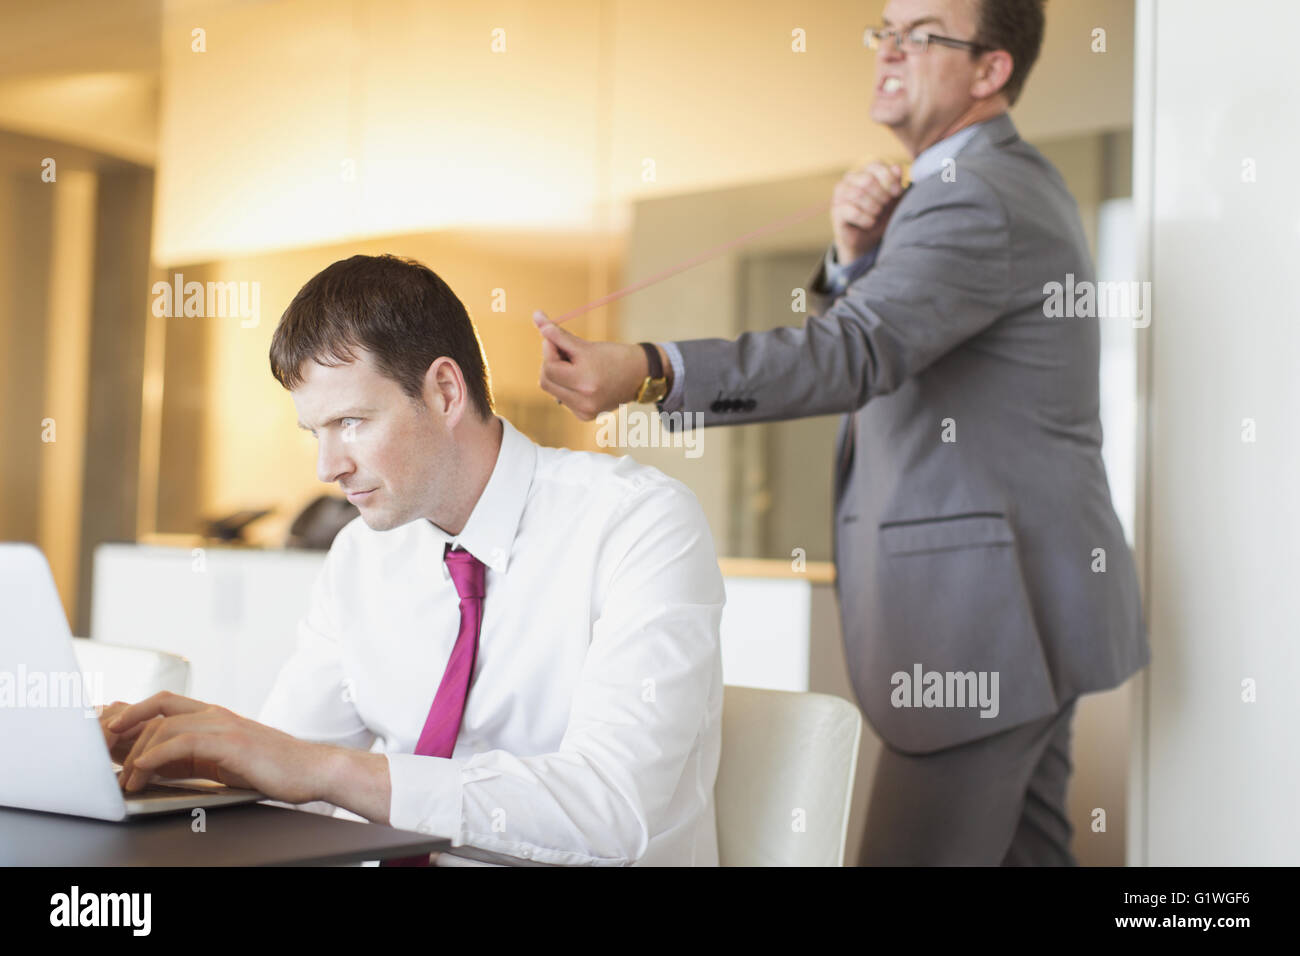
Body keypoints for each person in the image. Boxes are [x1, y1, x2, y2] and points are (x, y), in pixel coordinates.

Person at [534, 0, 1147, 865]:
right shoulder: (988, 183)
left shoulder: (971, 192)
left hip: (987, 623)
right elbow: (904, 338)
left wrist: (647, 367)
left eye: (921, 33)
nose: (888, 51)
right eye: (883, 31)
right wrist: (861, 256)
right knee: (1029, 853)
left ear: (991, 68)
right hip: (1026, 605)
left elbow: (857, 351)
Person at [102, 253, 725, 866]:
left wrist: (322, 770)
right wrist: (198, 769)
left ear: (446, 391)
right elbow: (295, 774)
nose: (328, 468)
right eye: (314, 432)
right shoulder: (359, 555)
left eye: (351, 421)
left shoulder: (639, 522)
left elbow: (612, 812)